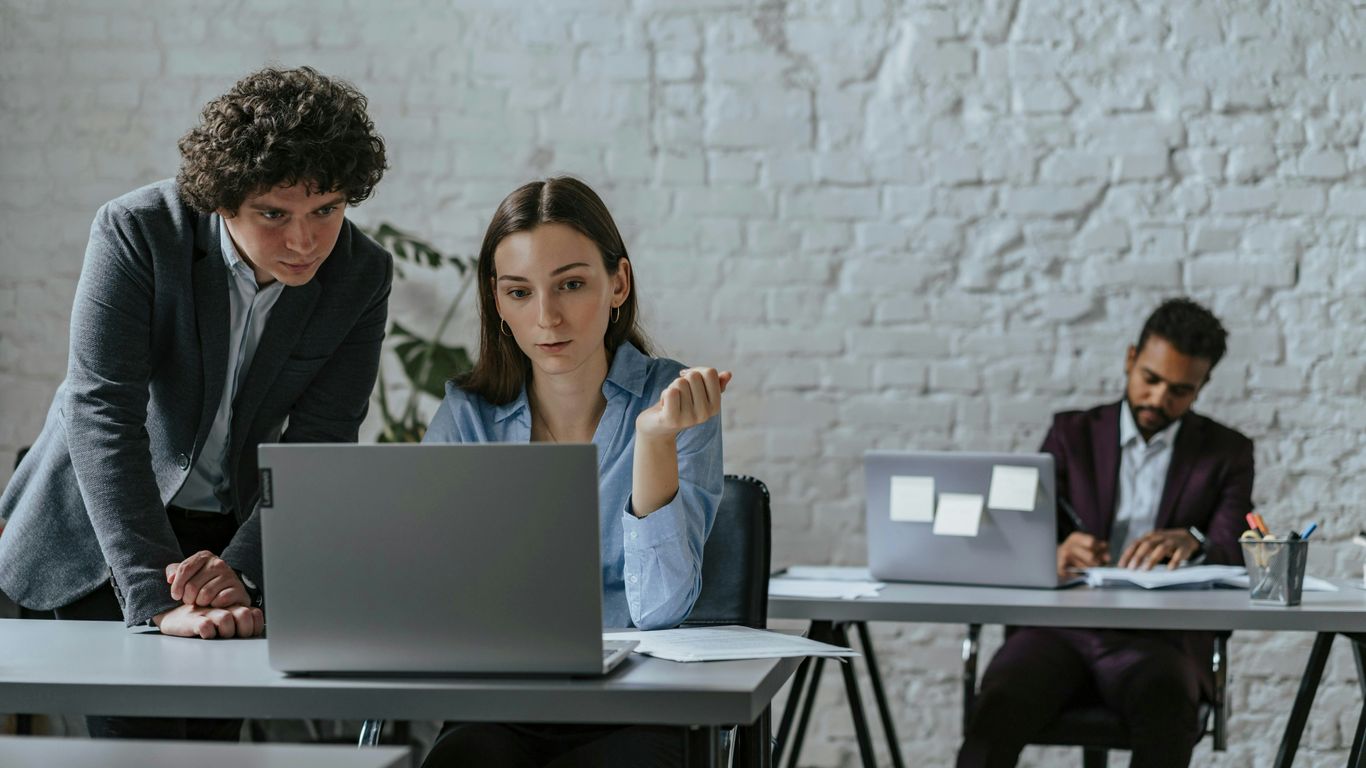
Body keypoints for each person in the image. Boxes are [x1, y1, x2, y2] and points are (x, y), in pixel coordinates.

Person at [0, 66, 391, 739]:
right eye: (274, 214)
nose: (304, 242)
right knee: (139, 743)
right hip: (107, 532)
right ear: (223, 200)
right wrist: (156, 598)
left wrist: (241, 571)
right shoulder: (138, 231)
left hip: (230, 535)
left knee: (215, 746)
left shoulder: (362, 273)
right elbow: (103, 414)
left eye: (325, 210)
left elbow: (320, 442)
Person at [419, 177, 727, 768]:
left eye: (571, 284)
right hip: (502, 701)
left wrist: (654, 441)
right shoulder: (468, 414)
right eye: (519, 292)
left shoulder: (675, 400)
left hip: (639, 705)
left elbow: (660, 610)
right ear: (497, 302)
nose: (547, 317)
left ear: (618, 284)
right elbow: (430, 595)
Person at [958, 298, 1254, 768]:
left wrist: (1194, 540)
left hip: (1161, 639)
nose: (1159, 399)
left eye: (1180, 390)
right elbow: (1017, 533)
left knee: (1168, 709)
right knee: (998, 708)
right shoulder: (1070, 433)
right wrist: (1056, 550)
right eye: (1151, 379)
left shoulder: (1227, 453)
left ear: (1203, 385)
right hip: (1057, 630)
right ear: (1130, 358)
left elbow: (1235, 551)